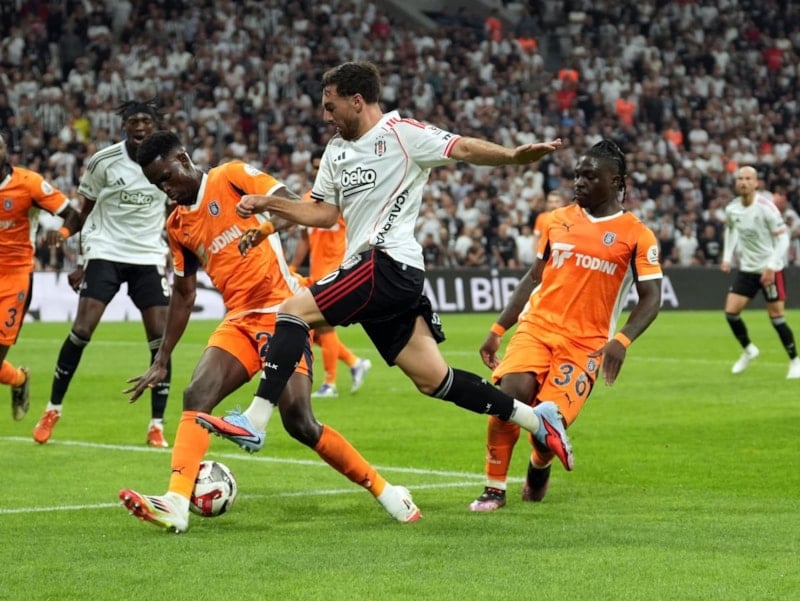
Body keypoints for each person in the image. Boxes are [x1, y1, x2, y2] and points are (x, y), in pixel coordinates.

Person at [196, 61, 574, 477]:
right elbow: (322, 214)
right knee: (435, 380)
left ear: (357, 101)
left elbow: (463, 148)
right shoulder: (336, 151)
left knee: (290, 312)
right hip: (375, 276)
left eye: (330, 106)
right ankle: (537, 419)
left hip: (387, 263)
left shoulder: (402, 133)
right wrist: (269, 212)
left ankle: (255, 420)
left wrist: (513, 157)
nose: (325, 115)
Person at [119, 130, 420, 533]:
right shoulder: (176, 225)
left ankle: (386, 490)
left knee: (300, 422)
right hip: (239, 320)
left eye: (168, 177)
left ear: (184, 160)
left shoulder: (231, 176)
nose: (166, 189)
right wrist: (161, 359)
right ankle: (176, 501)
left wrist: (265, 224)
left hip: (284, 313)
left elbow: (294, 205)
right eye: (158, 184)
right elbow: (184, 294)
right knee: (197, 394)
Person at [469, 139, 663, 511]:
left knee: (548, 426)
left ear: (615, 181)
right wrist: (497, 330)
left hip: (586, 344)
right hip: (536, 328)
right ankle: (494, 489)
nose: (579, 183)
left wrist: (622, 340)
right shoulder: (557, 220)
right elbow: (533, 277)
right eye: (577, 175)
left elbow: (651, 297)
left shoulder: (637, 234)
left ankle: (538, 465)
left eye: (590, 176)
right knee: (508, 398)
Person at [32, 100, 174, 447]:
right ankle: (52, 409)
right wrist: (75, 250)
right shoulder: (103, 161)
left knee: (161, 340)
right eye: (133, 120)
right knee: (82, 329)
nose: (140, 126)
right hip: (106, 251)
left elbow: (177, 210)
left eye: (146, 120)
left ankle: (156, 425)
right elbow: (85, 212)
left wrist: (179, 251)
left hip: (148, 255)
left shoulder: (170, 159)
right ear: (124, 126)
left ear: (154, 126)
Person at [0, 133, 81, 421]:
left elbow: (73, 214)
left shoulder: (29, 184)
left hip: (14, 278)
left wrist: (62, 234)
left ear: (5, 151)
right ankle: (19, 379)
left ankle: (19, 380)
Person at [289, 148, 372, 398]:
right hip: (316, 273)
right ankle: (355, 363)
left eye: (320, 166)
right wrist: (293, 267)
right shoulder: (306, 199)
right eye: (314, 167)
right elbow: (305, 239)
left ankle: (330, 384)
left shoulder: (344, 199)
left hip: (336, 271)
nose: (317, 171)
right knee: (311, 328)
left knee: (322, 328)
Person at [721, 165, 800, 379]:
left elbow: (783, 238)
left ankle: (795, 361)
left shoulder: (766, 208)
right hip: (748, 269)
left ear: (756, 183)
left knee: (776, 317)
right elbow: (731, 230)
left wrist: (772, 266)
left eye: (748, 179)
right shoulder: (732, 209)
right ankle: (749, 350)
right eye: (740, 179)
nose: (743, 182)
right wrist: (727, 257)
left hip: (770, 270)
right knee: (731, 312)